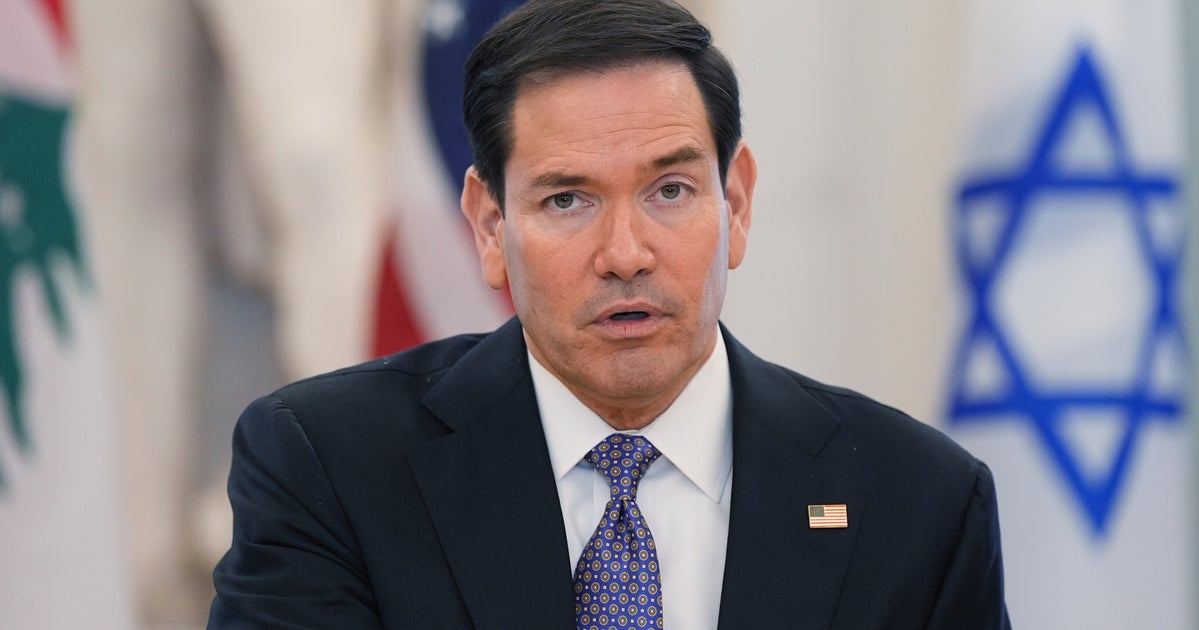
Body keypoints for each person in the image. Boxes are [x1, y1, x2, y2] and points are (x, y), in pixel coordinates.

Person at [208, 0, 1010, 627]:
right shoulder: (329, 469)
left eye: (670, 190)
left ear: (736, 202)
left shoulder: (916, 500)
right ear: (489, 226)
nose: (625, 253)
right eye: (567, 199)